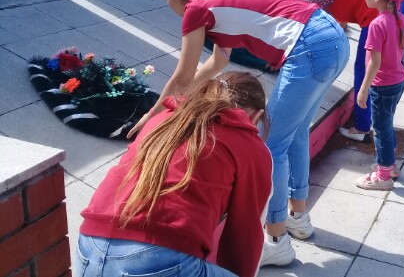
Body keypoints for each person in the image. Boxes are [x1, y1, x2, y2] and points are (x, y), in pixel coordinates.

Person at [129, 0, 350, 267]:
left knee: (270, 143)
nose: (169, 4)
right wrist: (183, 100)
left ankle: (276, 239)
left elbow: (182, 75)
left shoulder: (196, 8)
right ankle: (297, 218)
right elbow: (218, 62)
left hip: (310, 46)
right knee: (296, 133)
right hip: (331, 38)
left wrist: (153, 114)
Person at [77, 72, 272, 277]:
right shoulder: (249, 145)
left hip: (89, 246)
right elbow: (244, 234)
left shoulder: (165, 117)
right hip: (157, 257)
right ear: (256, 116)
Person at [292, 0, 380, 143]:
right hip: (399, 14)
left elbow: (308, 27)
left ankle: (362, 128)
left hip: (377, 22)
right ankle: (380, 120)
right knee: (382, 74)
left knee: (363, 72)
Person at [354, 0, 404, 191]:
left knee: (380, 130)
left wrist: (363, 89)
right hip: (398, 81)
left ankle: (383, 176)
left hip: (382, 85)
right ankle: (390, 166)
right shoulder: (400, 18)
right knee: (387, 124)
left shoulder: (377, 25)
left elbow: (374, 62)